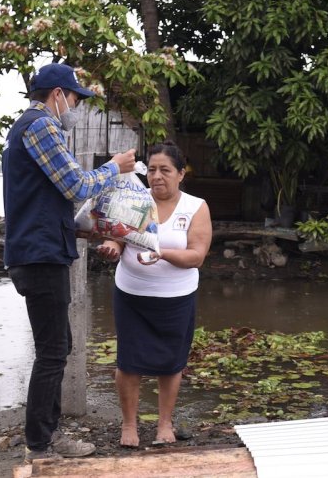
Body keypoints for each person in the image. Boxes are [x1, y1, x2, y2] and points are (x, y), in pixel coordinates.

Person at [2, 62, 136, 461]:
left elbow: (44, 199)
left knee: (58, 347)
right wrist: (115, 168)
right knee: (52, 351)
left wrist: (80, 226)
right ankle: (40, 445)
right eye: (76, 98)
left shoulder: (26, 129)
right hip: (40, 256)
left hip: (40, 250)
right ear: (57, 95)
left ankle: (47, 435)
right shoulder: (42, 125)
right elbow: (75, 184)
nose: (77, 107)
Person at [94, 141, 212, 448]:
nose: (157, 176)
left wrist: (161, 253)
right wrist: (112, 247)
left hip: (176, 297)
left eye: (166, 170)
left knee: (171, 363)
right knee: (128, 362)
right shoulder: (134, 198)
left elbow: (197, 256)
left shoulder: (196, 207)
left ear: (181, 174)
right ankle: (129, 425)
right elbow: (119, 239)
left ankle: (164, 424)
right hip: (131, 294)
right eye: (153, 170)